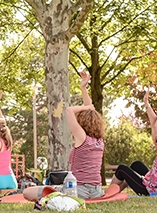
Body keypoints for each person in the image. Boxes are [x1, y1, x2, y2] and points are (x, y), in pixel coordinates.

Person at [24, 71, 105, 201]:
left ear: (82, 122)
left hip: (79, 191)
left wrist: (88, 107)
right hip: (97, 191)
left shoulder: (82, 138)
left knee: (27, 192)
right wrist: (83, 88)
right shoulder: (99, 142)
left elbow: (69, 110)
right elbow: (91, 112)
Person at [110, 88, 157, 195]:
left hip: (153, 190)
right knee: (136, 165)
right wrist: (147, 104)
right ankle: (118, 190)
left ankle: (108, 194)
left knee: (121, 169)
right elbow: (154, 124)